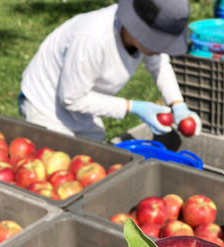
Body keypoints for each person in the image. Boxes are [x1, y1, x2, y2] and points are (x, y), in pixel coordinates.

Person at [19, 0, 202, 142]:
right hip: (47, 106)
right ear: (140, 32)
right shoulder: (93, 39)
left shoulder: (138, 36)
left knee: (96, 165)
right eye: (158, 41)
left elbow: (159, 64)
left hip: (84, 102)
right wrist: (132, 107)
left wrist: (178, 104)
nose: (162, 48)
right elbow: (71, 98)